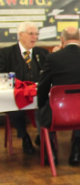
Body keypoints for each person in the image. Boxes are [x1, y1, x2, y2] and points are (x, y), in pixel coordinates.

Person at [37, 27, 80, 166]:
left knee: (42, 111)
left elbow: (43, 86)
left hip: (58, 113)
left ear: (62, 40)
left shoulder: (52, 58)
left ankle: (52, 153)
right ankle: (76, 148)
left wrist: (41, 104)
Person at [0, 22, 46, 154]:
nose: (34, 37)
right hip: (17, 93)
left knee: (45, 105)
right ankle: (24, 136)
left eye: (36, 34)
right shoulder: (6, 53)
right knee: (14, 107)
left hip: (37, 93)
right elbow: (2, 75)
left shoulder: (41, 53)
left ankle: (42, 135)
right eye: (31, 34)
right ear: (20, 35)